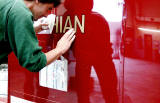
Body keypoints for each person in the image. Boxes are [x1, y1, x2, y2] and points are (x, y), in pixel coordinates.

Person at [62, 0, 119, 103]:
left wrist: (66, 55)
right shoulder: (98, 18)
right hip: (97, 58)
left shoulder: (70, 17)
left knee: (86, 92)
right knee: (108, 91)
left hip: (93, 57)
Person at [0, 0, 75, 72]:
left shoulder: (10, 4)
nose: (46, 15)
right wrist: (59, 49)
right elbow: (33, 62)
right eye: (48, 8)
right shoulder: (21, 12)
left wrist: (28, 30)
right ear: (37, 1)